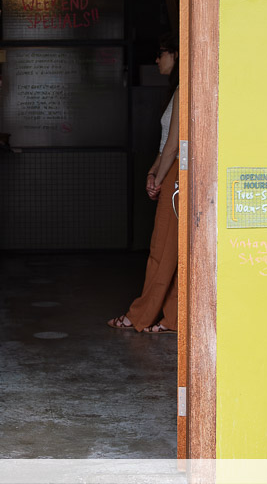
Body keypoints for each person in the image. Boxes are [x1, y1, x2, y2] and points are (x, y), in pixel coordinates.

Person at [109, 34, 179, 334]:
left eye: (162, 53)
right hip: (171, 170)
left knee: (161, 250)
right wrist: (154, 172)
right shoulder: (178, 89)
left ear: (176, 55)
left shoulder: (184, 88)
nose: (157, 59)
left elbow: (175, 145)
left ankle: (141, 316)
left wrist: (159, 177)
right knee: (173, 250)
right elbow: (167, 146)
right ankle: (173, 318)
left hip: (176, 173)